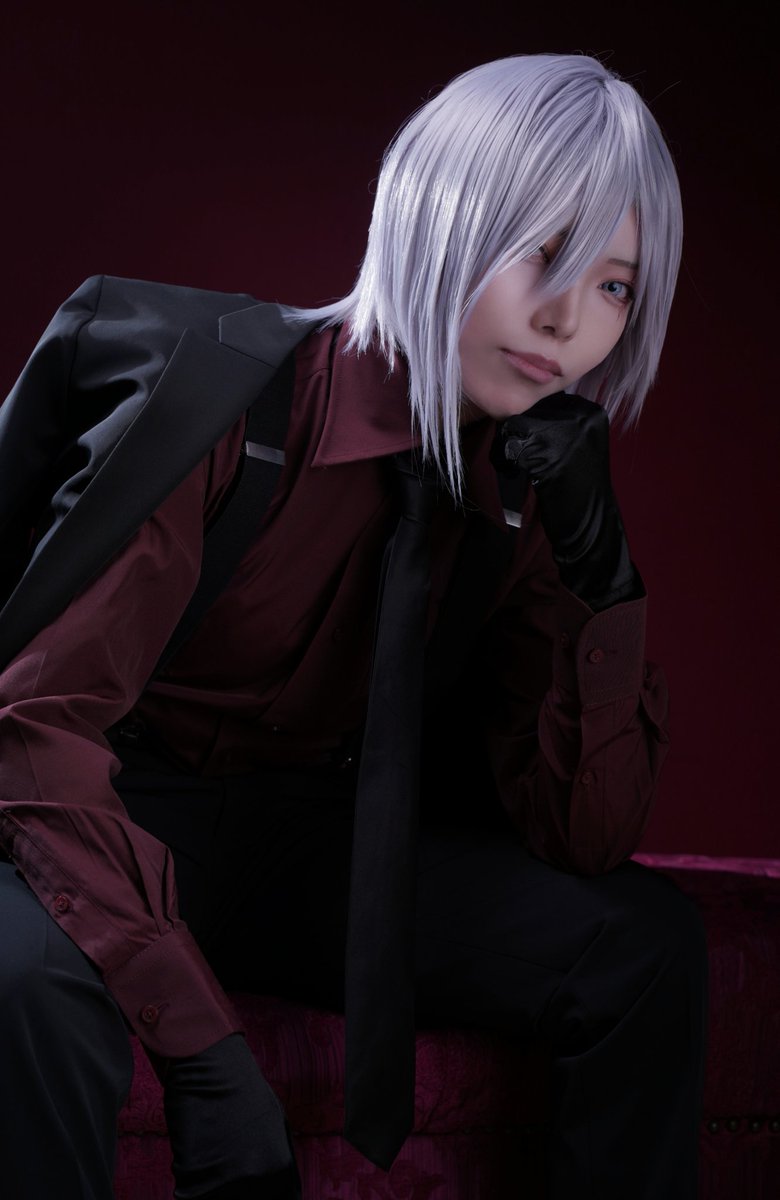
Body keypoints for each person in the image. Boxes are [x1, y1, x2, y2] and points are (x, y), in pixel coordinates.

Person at [0, 52, 708, 1200]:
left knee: (641, 946)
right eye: (542, 254)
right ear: (439, 218)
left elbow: (582, 835)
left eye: (616, 287)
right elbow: (36, 728)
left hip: (301, 847)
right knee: (23, 988)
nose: (569, 320)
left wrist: (602, 569)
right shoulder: (218, 399)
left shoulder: (526, 489)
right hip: (89, 812)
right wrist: (206, 1058)